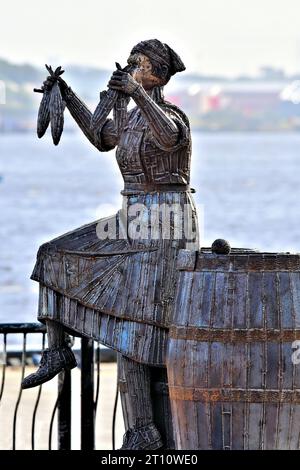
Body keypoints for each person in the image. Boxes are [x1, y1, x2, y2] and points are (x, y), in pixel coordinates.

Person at [22, 39, 199, 449]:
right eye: (132, 62)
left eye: (140, 64)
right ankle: (55, 349)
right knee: (52, 255)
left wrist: (136, 93)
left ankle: (143, 432)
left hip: (166, 225)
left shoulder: (170, 114)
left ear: (157, 72)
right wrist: (66, 95)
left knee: (137, 329)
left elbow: (170, 138)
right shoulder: (132, 118)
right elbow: (102, 138)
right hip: (130, 219)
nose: (133, 68)